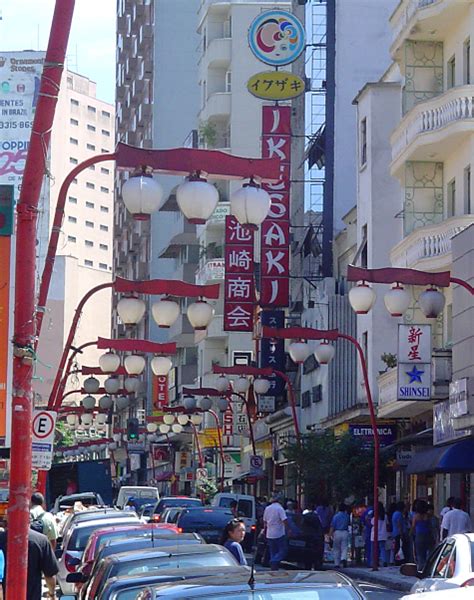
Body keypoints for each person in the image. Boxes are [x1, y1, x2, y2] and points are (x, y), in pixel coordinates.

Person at [0, 516, 59, 600]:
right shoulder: (41, 540)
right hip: (32, 595)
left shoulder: (2, 539)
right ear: (29, 522)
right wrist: (52, 594)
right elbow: (50, 574)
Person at [263, 492, 289, 570]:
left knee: (273, 551)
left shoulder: (267, 508)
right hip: (279, 533)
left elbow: (265, 521)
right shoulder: (280, 509)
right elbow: (285, 520)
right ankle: (274, 561)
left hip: (269, 534)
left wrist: (265, 530)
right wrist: (288, 529)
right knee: (283, 550)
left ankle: (273, 566)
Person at [411, 499, 434, 571]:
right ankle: (429, 567)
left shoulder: (416, 516)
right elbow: (430, 526)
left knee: (420, 553)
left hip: (419, 535)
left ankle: (421, 567)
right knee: (429, 552)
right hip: (428, 535)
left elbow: (413, 526)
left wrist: (411, 534)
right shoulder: (428, 516)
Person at [329, 503, 350, 568]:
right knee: (344, 547)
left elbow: (332, 526)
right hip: (345, 532)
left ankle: (336, 563)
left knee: (336, 548)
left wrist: (330, 534)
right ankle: (343, 558)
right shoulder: (347, 516)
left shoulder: (336, 516)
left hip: (337, 532)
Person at [371, 502, 389, 567]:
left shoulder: (374, 516)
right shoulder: (385, 516)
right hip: (383, 534)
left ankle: (375, 562)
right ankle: (384, 561)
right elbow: (387, 525)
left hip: (375, 535)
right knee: (382, 549)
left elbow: (371, 523)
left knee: (374, 550)